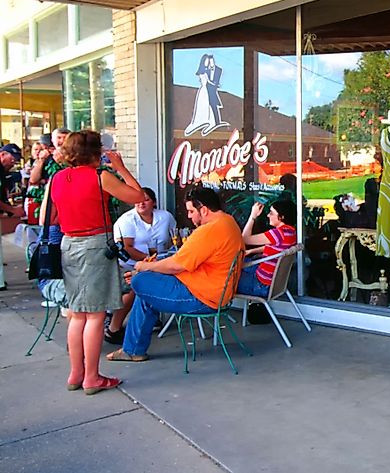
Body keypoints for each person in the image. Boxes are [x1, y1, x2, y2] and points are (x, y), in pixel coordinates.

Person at [48, 130, 145, 394]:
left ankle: (75, 374)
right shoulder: (99, 176)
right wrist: (121, 168)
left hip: (69, 244)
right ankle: (92, 377)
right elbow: (138, 197)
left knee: (77, 313)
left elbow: (54, 214)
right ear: (96, 151)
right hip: (94, 245)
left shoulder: (57, 178)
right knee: (96, 314)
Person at [107, 186, 244, 363]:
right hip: (214, 291)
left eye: (191, 211)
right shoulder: (228, 221)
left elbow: (175, 265)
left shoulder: (208, 231)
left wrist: (142, 267)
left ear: (203, 209)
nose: (189, 216)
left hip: (202, 298)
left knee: (140, 281)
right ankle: (133, 350)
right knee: (147, 290)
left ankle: (133, 349)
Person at [105, 188, 177, 345]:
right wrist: (149, 261)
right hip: (128, 264)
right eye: (137, 200)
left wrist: (163, 259)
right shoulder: (127, 220)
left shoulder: (165, 217)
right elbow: (127, 248)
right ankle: (114, 328)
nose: (141, 203)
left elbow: (174, 238)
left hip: (158, 261)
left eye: (146, 199)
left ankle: (151, 316)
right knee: (136, 285)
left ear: (154, 202)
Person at [237, 199, 297, 297]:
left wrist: (252, 216)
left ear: (281, 217)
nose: (268, 215)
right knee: (240, 264)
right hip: (272, 281)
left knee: (226, 277)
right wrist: (252, 251)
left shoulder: (277, 234)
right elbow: (276, 249)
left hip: (260, 284)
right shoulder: (290, 232)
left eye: (271, 213)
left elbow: (244, 239)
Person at [0, 143, 26, 291]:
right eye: (12, 158)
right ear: (3, 154)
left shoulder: (3, 172)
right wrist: (12, 210)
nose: (13, 162)